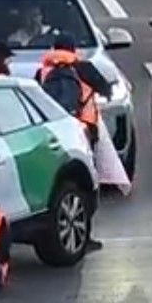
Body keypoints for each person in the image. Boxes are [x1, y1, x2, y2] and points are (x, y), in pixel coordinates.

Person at [38, 34, 129, 206]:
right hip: (83, 123)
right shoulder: (83, 67)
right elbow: (105, 89)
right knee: (86, 161)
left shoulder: (42, 71)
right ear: (73, 50)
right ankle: (87, 194)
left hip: (54, 125)